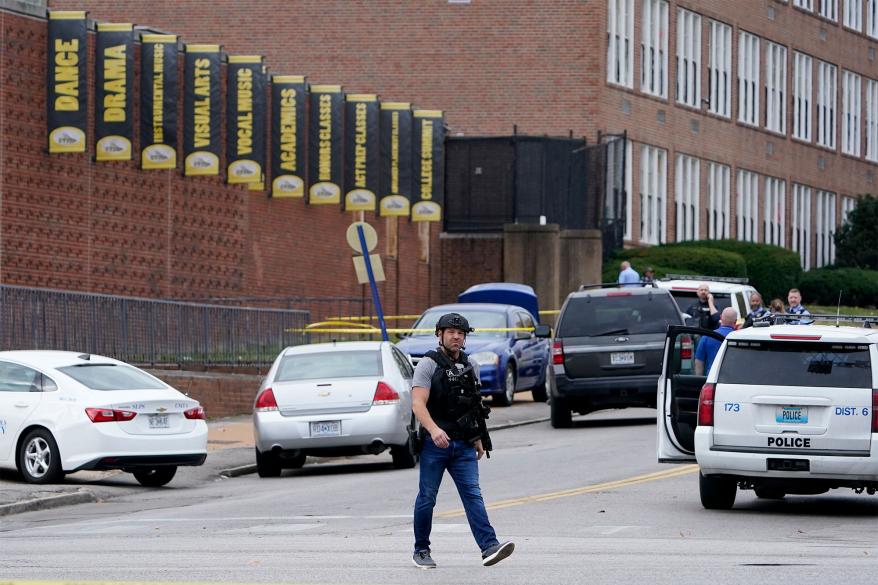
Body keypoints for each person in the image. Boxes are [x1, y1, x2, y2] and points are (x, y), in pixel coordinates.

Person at [410, 312, 514, 569]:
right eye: (451, 332)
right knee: (427, 497)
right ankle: (421, 550)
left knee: (473, 495)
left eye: (460, 333)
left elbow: (474, 405)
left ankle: (489, 546)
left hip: (464, 444)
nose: (456, 337)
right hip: (435, 444)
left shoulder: (471, 365)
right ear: (440, 335)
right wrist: (434, 430)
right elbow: (417, 404)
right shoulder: (428, 364)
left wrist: (478, 437)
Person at [694, 307, 737, 375]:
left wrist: (699, 380)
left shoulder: (707, 337)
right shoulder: (739, 338)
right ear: (735, 321)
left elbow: (699, 362)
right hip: (733, 380)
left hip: (712, 379)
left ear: (720, 318)